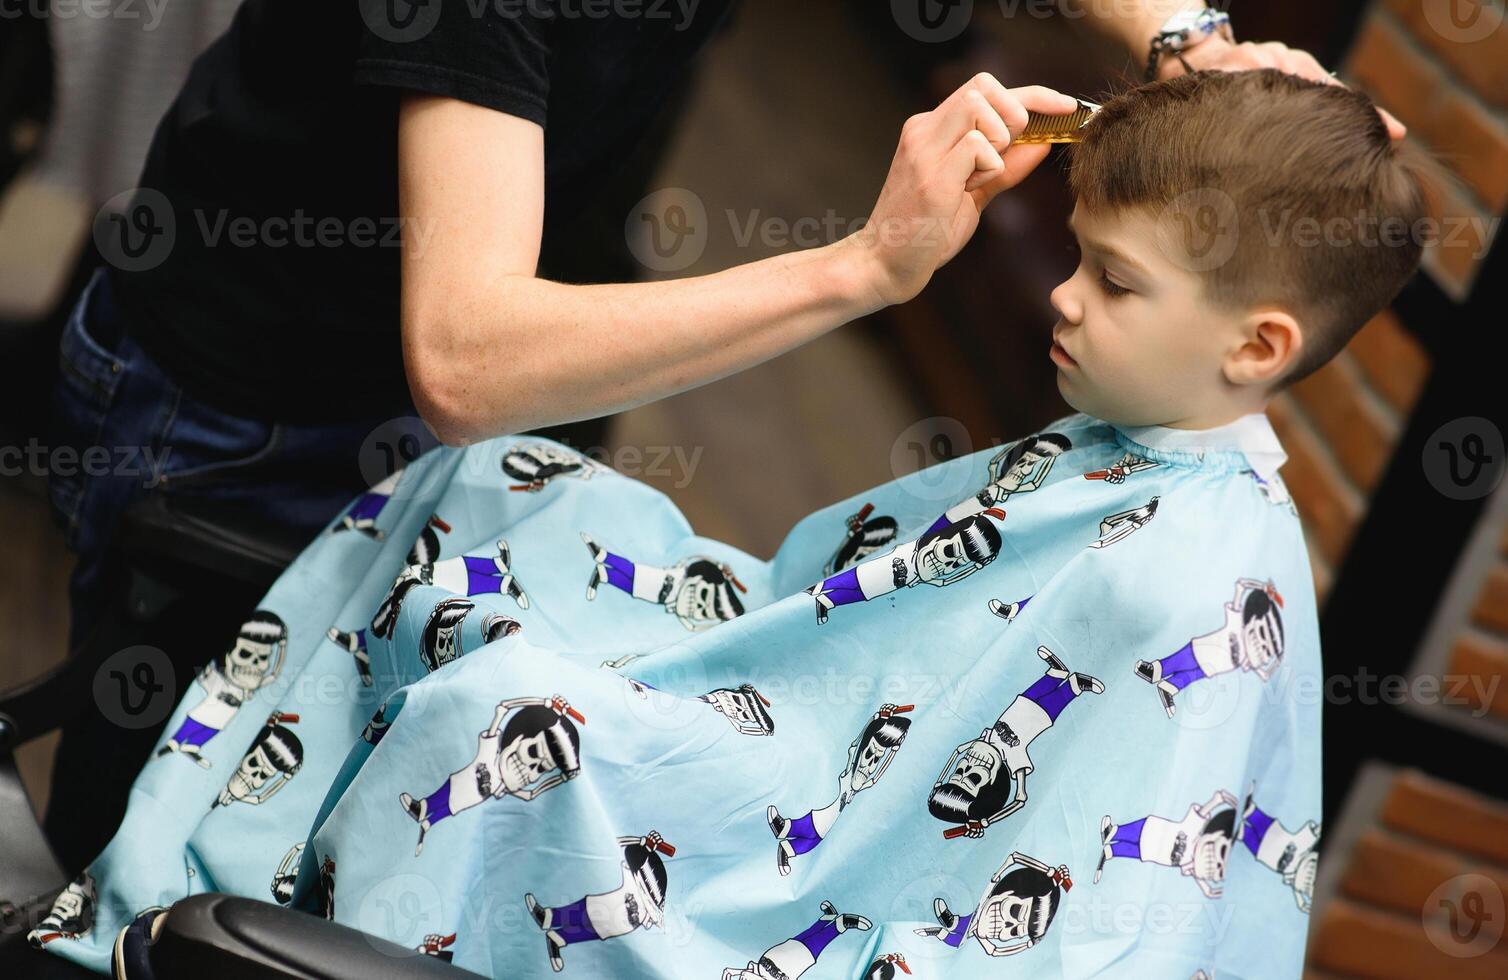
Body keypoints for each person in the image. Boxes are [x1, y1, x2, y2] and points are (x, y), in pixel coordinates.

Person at [41, 66, 1423, 978]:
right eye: (1077, 258)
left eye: (1114, 283)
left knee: (517, 715)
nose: (1060, 298)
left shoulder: (1189, 583)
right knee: (498, 488)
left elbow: (1084, 914)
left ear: (1258, 346)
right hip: (803, 743)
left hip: (815, 872)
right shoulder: (1148, 451)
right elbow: (859, 634)